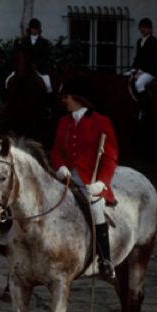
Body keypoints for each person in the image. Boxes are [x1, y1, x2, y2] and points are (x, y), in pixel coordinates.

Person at [51, 82, 120, 278]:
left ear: (78, 99)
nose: (64, 101)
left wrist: (102, 182)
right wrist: (60, 166)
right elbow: (56, 150)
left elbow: (110, 156)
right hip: (65, 176)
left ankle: (105, 259)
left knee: (96, 207)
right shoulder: (64, 121)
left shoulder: (101, 121)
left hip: (90, 178)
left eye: (67, 97)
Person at [128, 18, 157, 106]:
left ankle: (145, 108)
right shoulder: (139, 42)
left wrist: (141, 71)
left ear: (150, 29)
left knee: (139, 84)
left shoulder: (154, 41)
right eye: (141, 27)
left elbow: (152, 59)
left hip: (151, 71)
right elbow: (138, 58)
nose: (142, 29)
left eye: (145, 27)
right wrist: (133, 69)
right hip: (141, 71)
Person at [23, 18, 53, 93]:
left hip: (40, 69)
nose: (34, 30)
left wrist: (36, 64)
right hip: (26, 68)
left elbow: (46, 56)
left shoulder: (44, 42)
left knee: (48, 84)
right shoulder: (24, 41)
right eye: (33, 28)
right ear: (30, 29)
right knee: (9, 79)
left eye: (36, 29)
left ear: (39, 29)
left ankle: (49, 99)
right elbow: (22, 54)